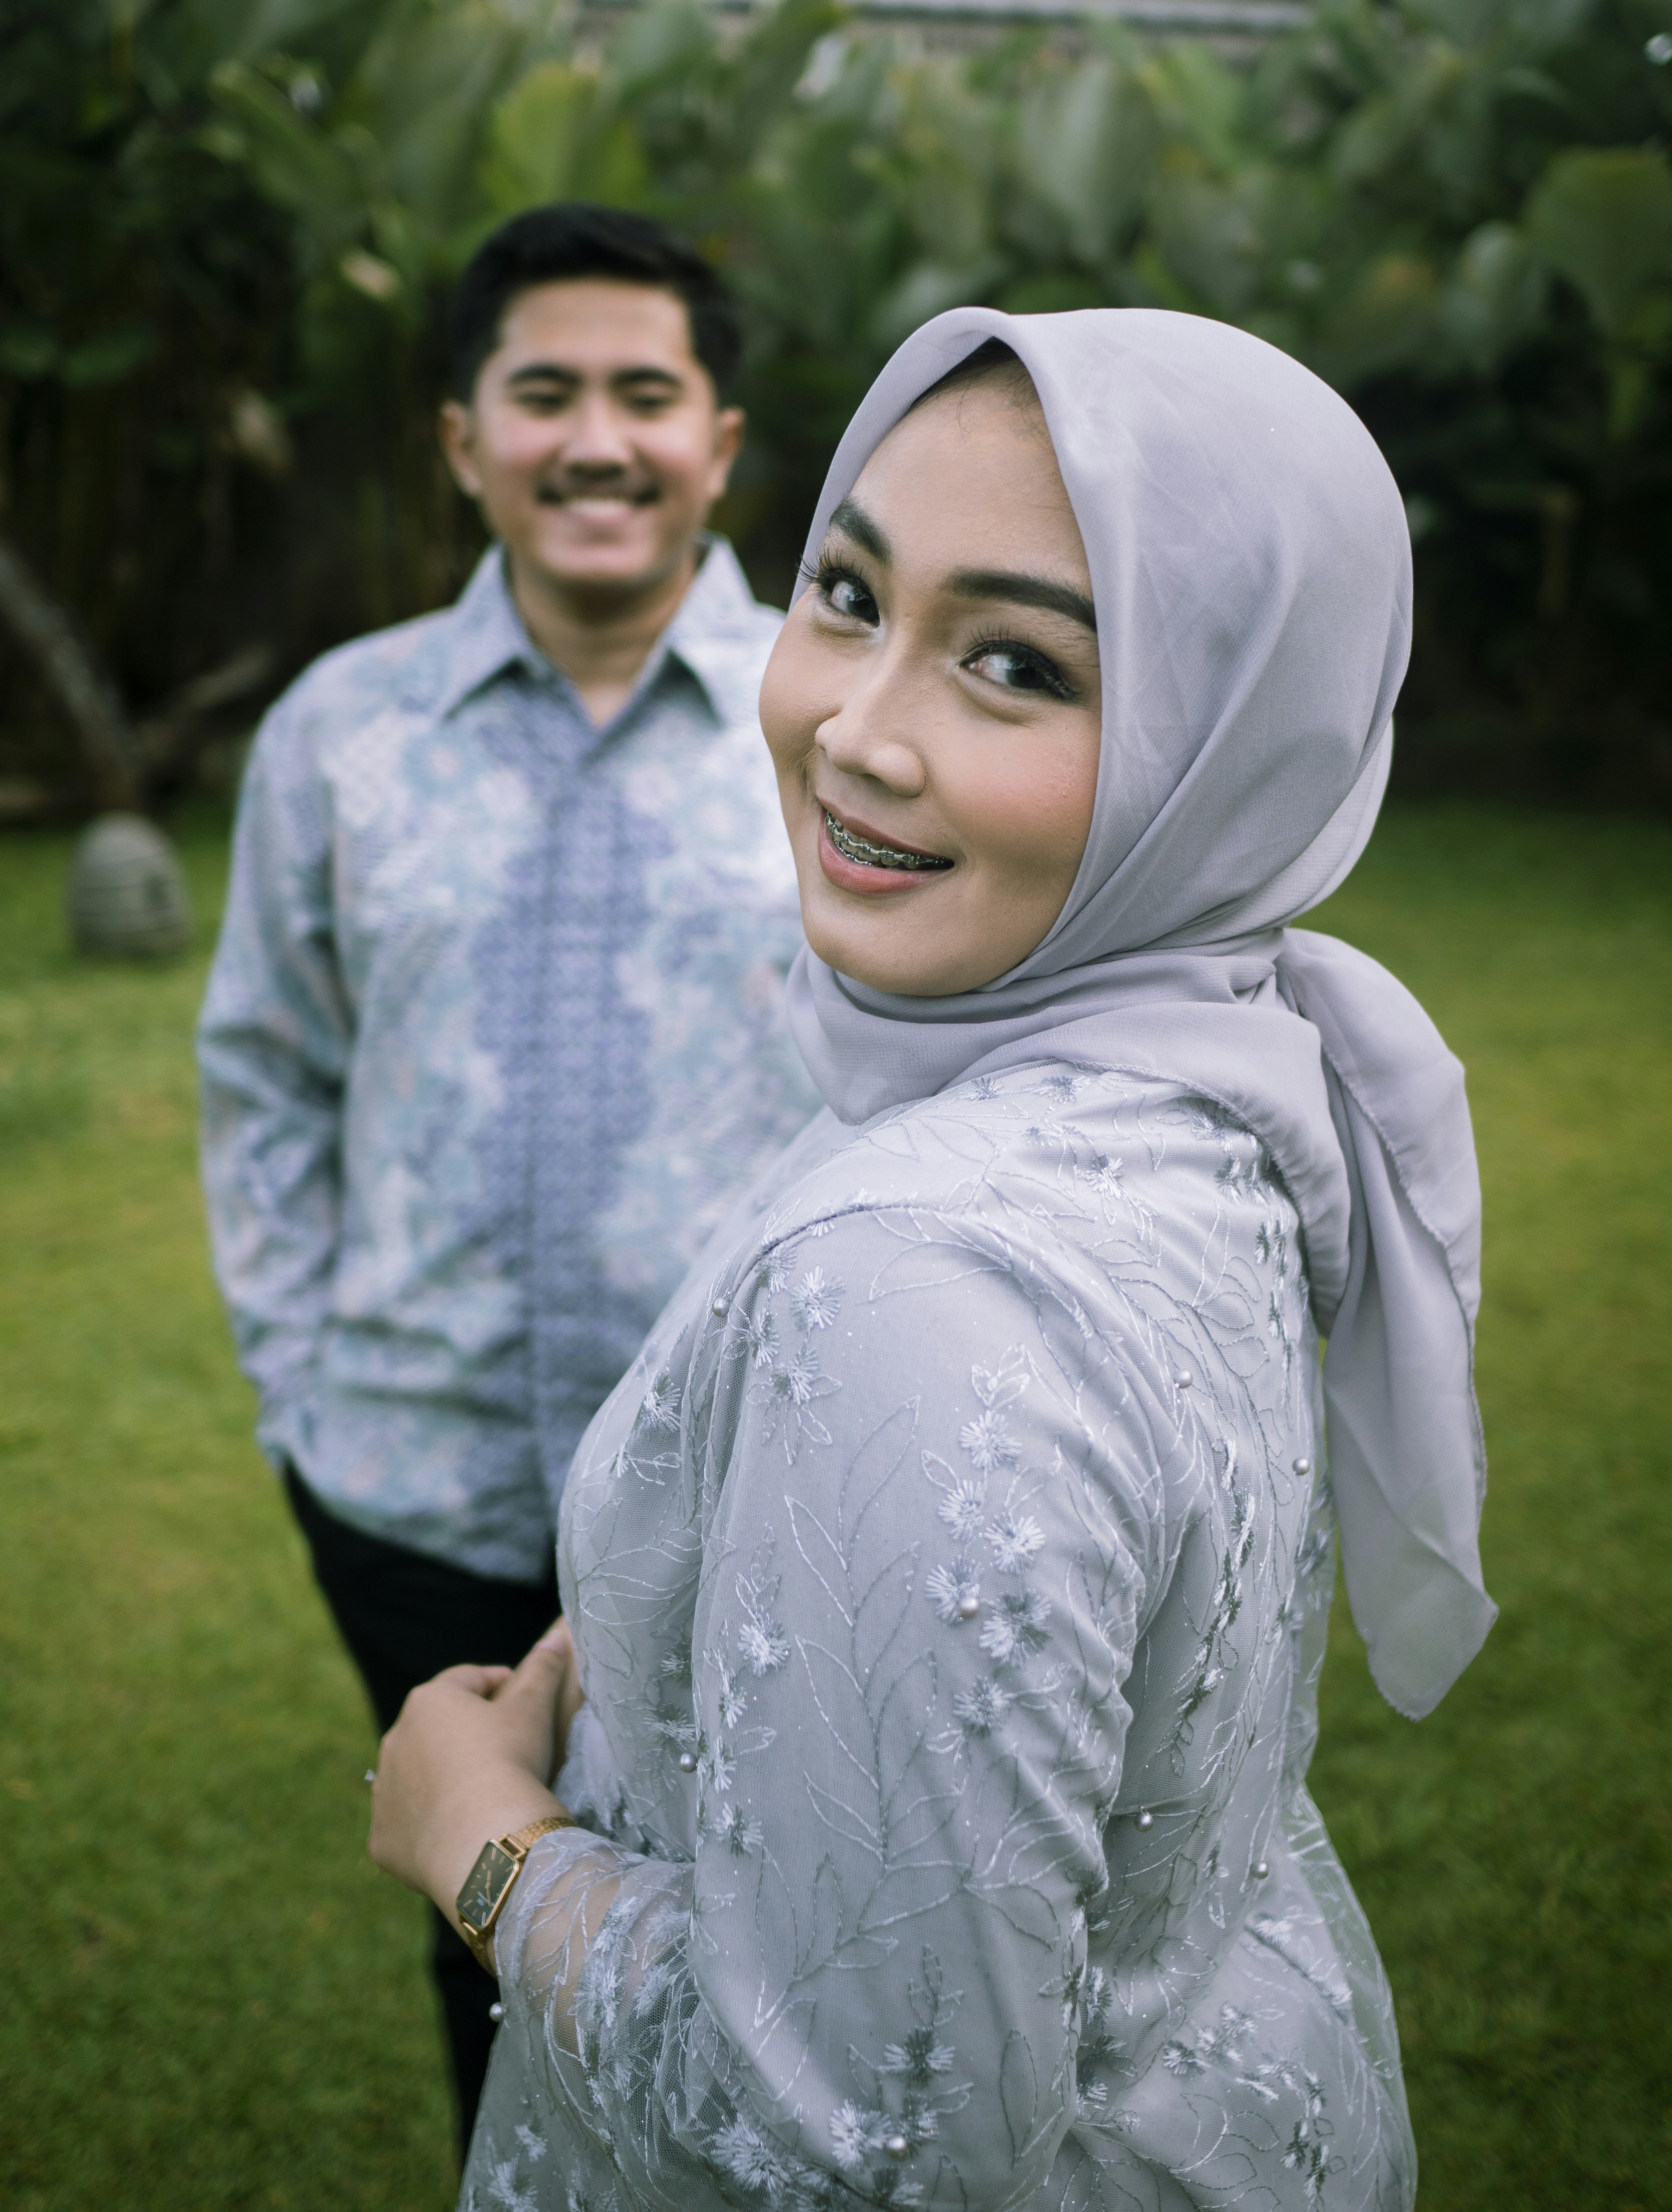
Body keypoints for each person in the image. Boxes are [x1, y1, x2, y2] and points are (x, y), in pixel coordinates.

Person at [368, 308, 1496, 2211]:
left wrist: (482, 1845)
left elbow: (870, 2157)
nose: (854, 729)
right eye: (848, 594)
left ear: (1228, 748)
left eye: (1016, 664)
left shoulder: (917, 1291)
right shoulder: (1215, 1089)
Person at [196, 204, 820, 2147]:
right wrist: (300, 1394)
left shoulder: (833, 719)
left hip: (745, 1491)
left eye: (647, 393)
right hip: (408, 1482)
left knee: (772, 1941)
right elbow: (266, 1070)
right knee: (484, 1909)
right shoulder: (340, 730)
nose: (597, 441)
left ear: (719, 441)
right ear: (466, 441)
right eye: (544, 394)